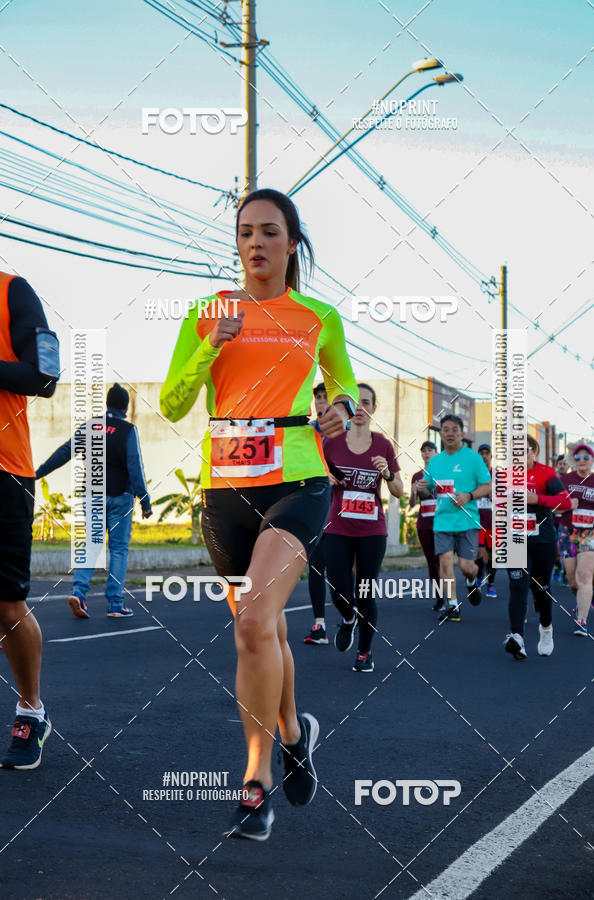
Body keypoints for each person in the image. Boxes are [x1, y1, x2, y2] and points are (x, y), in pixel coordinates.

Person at [160, 188, 358, 841]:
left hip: (297, 480)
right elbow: (172, 403)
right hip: (225, 489)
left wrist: (341, 410)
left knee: (252, 620)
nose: (255, 243)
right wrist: (210, 346)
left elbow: (345, 385)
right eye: (246, 231)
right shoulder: (207, 313)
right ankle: (296, 734)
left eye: (270, 231)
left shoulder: (318, 316)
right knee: (262, 629)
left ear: (292, 242)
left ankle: (255, 780)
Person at [0, 273, 59, 769]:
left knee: (6, 605)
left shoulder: (12, 291)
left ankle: (31, 711)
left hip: (5, 472)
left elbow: (45, 376)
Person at [36, 383, 152, 618]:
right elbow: (135, 467)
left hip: (92, 495)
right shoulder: (128, 430)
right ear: (125, 408)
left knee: (91, 544)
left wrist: (38, 473)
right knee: (118, 549)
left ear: (107, 404)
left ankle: (78, 593)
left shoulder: (90, 426)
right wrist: (145, 501)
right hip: (120, 497)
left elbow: (65, 452)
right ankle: (115, 604)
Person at [323, 383, 403, 672]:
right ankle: (348, 618)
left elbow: (398, 490)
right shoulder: (330, 443)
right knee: (338, 590)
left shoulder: (383, 445)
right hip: (338, 528)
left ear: (373, 409)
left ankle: (364, 652)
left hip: (372, 531)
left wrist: (388, 473)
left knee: (366, 592)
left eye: (366, 402)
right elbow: (313, 479)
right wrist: (326, 479)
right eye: (355, 402)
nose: (360, 408)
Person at [417, 415, 491, 622]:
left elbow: (488, 485)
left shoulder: (473, 458)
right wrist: (421, 488)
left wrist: (469, 496)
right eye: (446, 429)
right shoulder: (435, 462)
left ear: (462, 434)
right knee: (445, 561)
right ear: (441, 434)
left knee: (467, 567)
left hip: (467, 520)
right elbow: (427, 490)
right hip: (442, 521)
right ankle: (452, 605)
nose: (450, 433)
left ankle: (472, 581)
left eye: (454, 429)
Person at [504, 435, 572, 660]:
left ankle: (546, 628)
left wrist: (538, 499)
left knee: (541, 589)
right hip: (516, 539)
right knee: (518, 586)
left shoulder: (546, 473)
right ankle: (517, 638)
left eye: (523, 450)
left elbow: (565, 502)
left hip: (542, 540)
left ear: (533, 452)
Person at [558, 443, 594, 637]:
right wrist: (567, 505)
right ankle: (591, 592)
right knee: (574, 583)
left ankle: (581, 621)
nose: (581, 461)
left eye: (585, 457)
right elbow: (552, 507)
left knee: (583, 575)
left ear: (593, 460)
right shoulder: (564, 480)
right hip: (568, 533)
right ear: (573, 461)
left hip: (591, 533)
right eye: (577, 458)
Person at [304, 382, 333, 645]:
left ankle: (352, 614)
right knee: (316, 566)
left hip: (342, 509)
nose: (322, 402)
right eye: (319, 397)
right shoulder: (306, 431)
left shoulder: (347, 433)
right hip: (315, 507)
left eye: (326, 397)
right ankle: (319, 625)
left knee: (342, 570)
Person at [410, 441, 441, 609]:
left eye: (430, 450)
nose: (426, 453)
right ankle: (439, 597)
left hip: (442, 524)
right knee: (432, 563)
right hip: (424, 524)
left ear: (436, 453)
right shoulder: (417, 476)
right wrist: (414, 492)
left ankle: (450, 597)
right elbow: (412, 503)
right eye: (424, 451)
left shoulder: (443, 473)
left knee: (442, 560)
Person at [475, 443, 497, 599]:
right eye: (481, 453)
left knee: (492, 554)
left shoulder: (498, 475)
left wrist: (495, 496)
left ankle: (491, 583)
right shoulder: (473, 474)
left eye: (486, 453)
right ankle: (479, 575)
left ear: (491, 456)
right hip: (477, 521)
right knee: (479, 551)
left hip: (493, 522)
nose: (484, 456)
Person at [553, 454, 570, 586]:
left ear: (568, 466)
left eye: (564, 464)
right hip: (553, 519)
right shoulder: (552, 480)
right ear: (556, 465)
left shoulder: (571, 481)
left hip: (566, 520)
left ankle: (566, 574)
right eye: (560, 464)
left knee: (566, 550)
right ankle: (558, 565)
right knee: (555, 549)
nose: (562, 466)